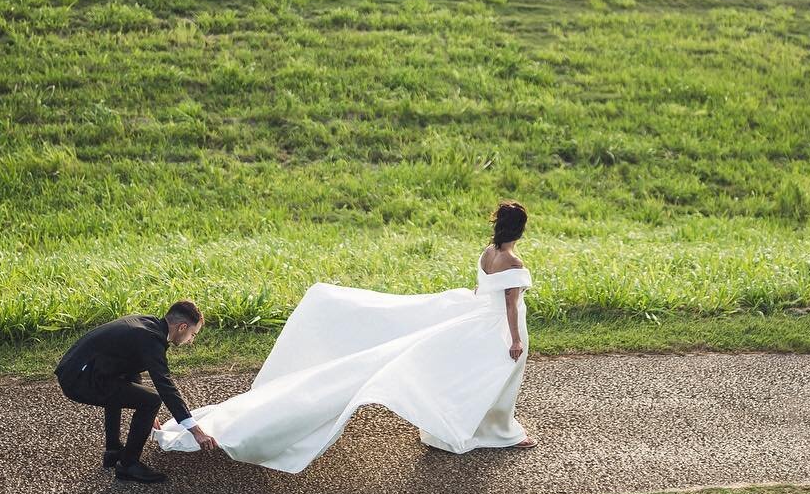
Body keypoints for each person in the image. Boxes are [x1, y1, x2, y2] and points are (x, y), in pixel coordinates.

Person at [154, 202, 537, 472]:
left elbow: (479, 291)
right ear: (519, 230)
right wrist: (515, 339)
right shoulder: (513, 262)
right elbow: (509, 303)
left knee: (473, 377)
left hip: (475, 317)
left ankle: (474, 428)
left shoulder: (488, 252)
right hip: (494, 327)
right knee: (501, 374)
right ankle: (496, 431)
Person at [56, 300, 218, 484]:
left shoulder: (148, 324)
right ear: (182, 327)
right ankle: (129, 464)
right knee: (152, 400)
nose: (191, 341)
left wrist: (144, 409)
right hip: (79, 380)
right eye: (192, 334)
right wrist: (195, 431)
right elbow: (165, 385)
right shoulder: (152, 340)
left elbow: (128, 365)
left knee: (133, 394)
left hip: (78, 371)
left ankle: (113, 451)